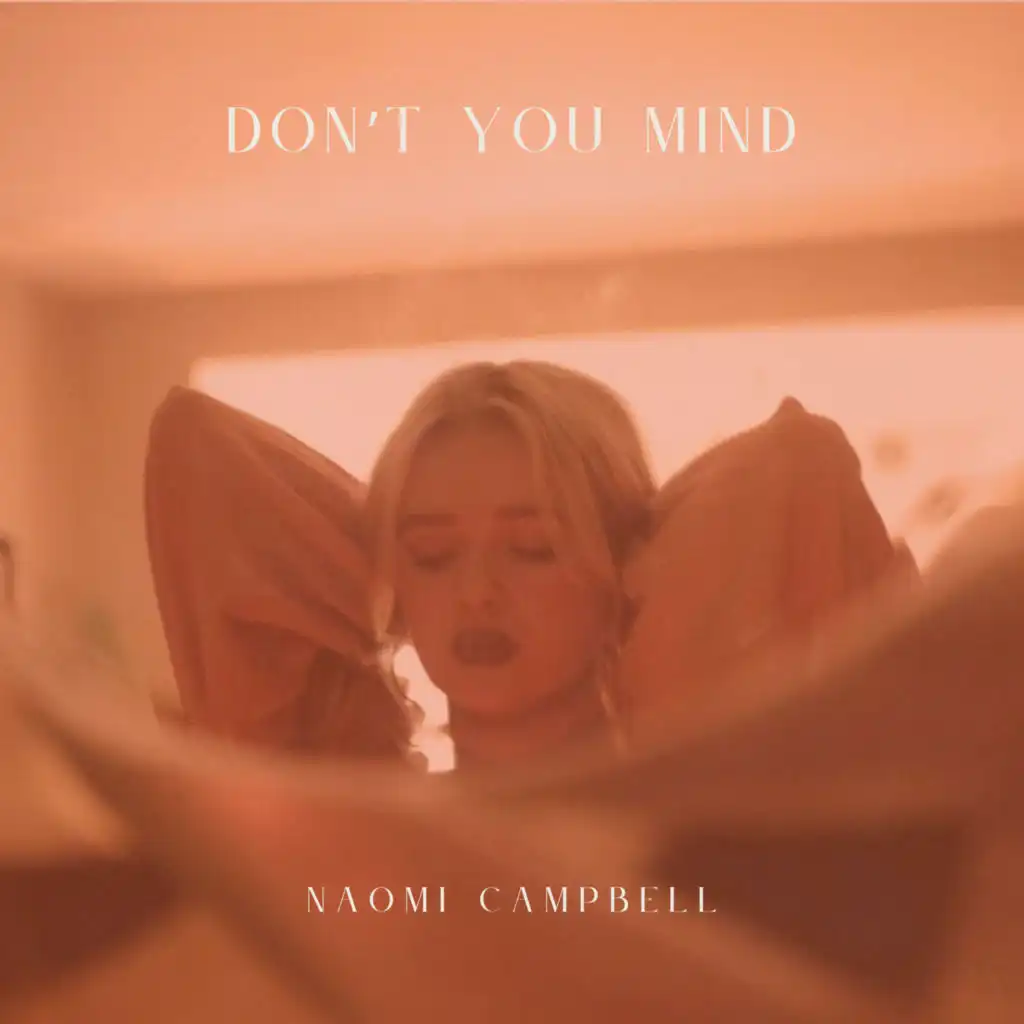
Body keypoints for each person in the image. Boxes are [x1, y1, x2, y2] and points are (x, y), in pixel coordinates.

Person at [144, 360, 908, 770]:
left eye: (535, 547)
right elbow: (199, 447)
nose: (477, 592)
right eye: (432, 554)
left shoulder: (716, 808)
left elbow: (795, 459)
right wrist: (379, 576)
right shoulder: (349, 827)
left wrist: (656, 595)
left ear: (628, 567)